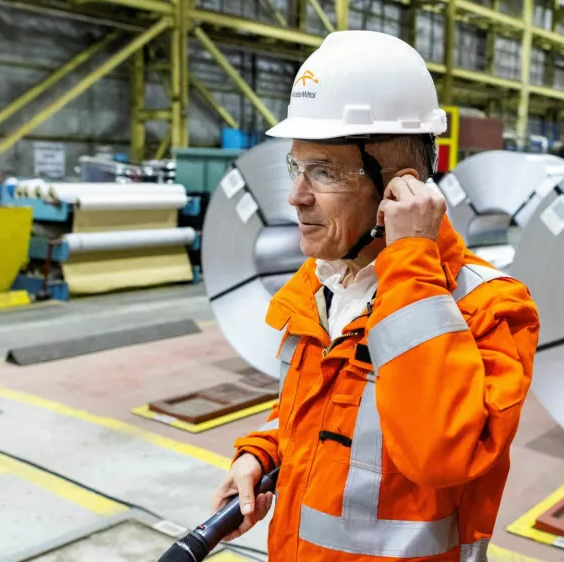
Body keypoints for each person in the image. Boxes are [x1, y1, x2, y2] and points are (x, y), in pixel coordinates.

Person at [210, 30, 540, 561]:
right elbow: (320, 417)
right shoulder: (322, 284)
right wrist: (261, 455)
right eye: (296, 167)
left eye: (324, 172)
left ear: (398, 186)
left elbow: (439, 454)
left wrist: (411, 265)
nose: (296, 196)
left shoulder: (487, 308)